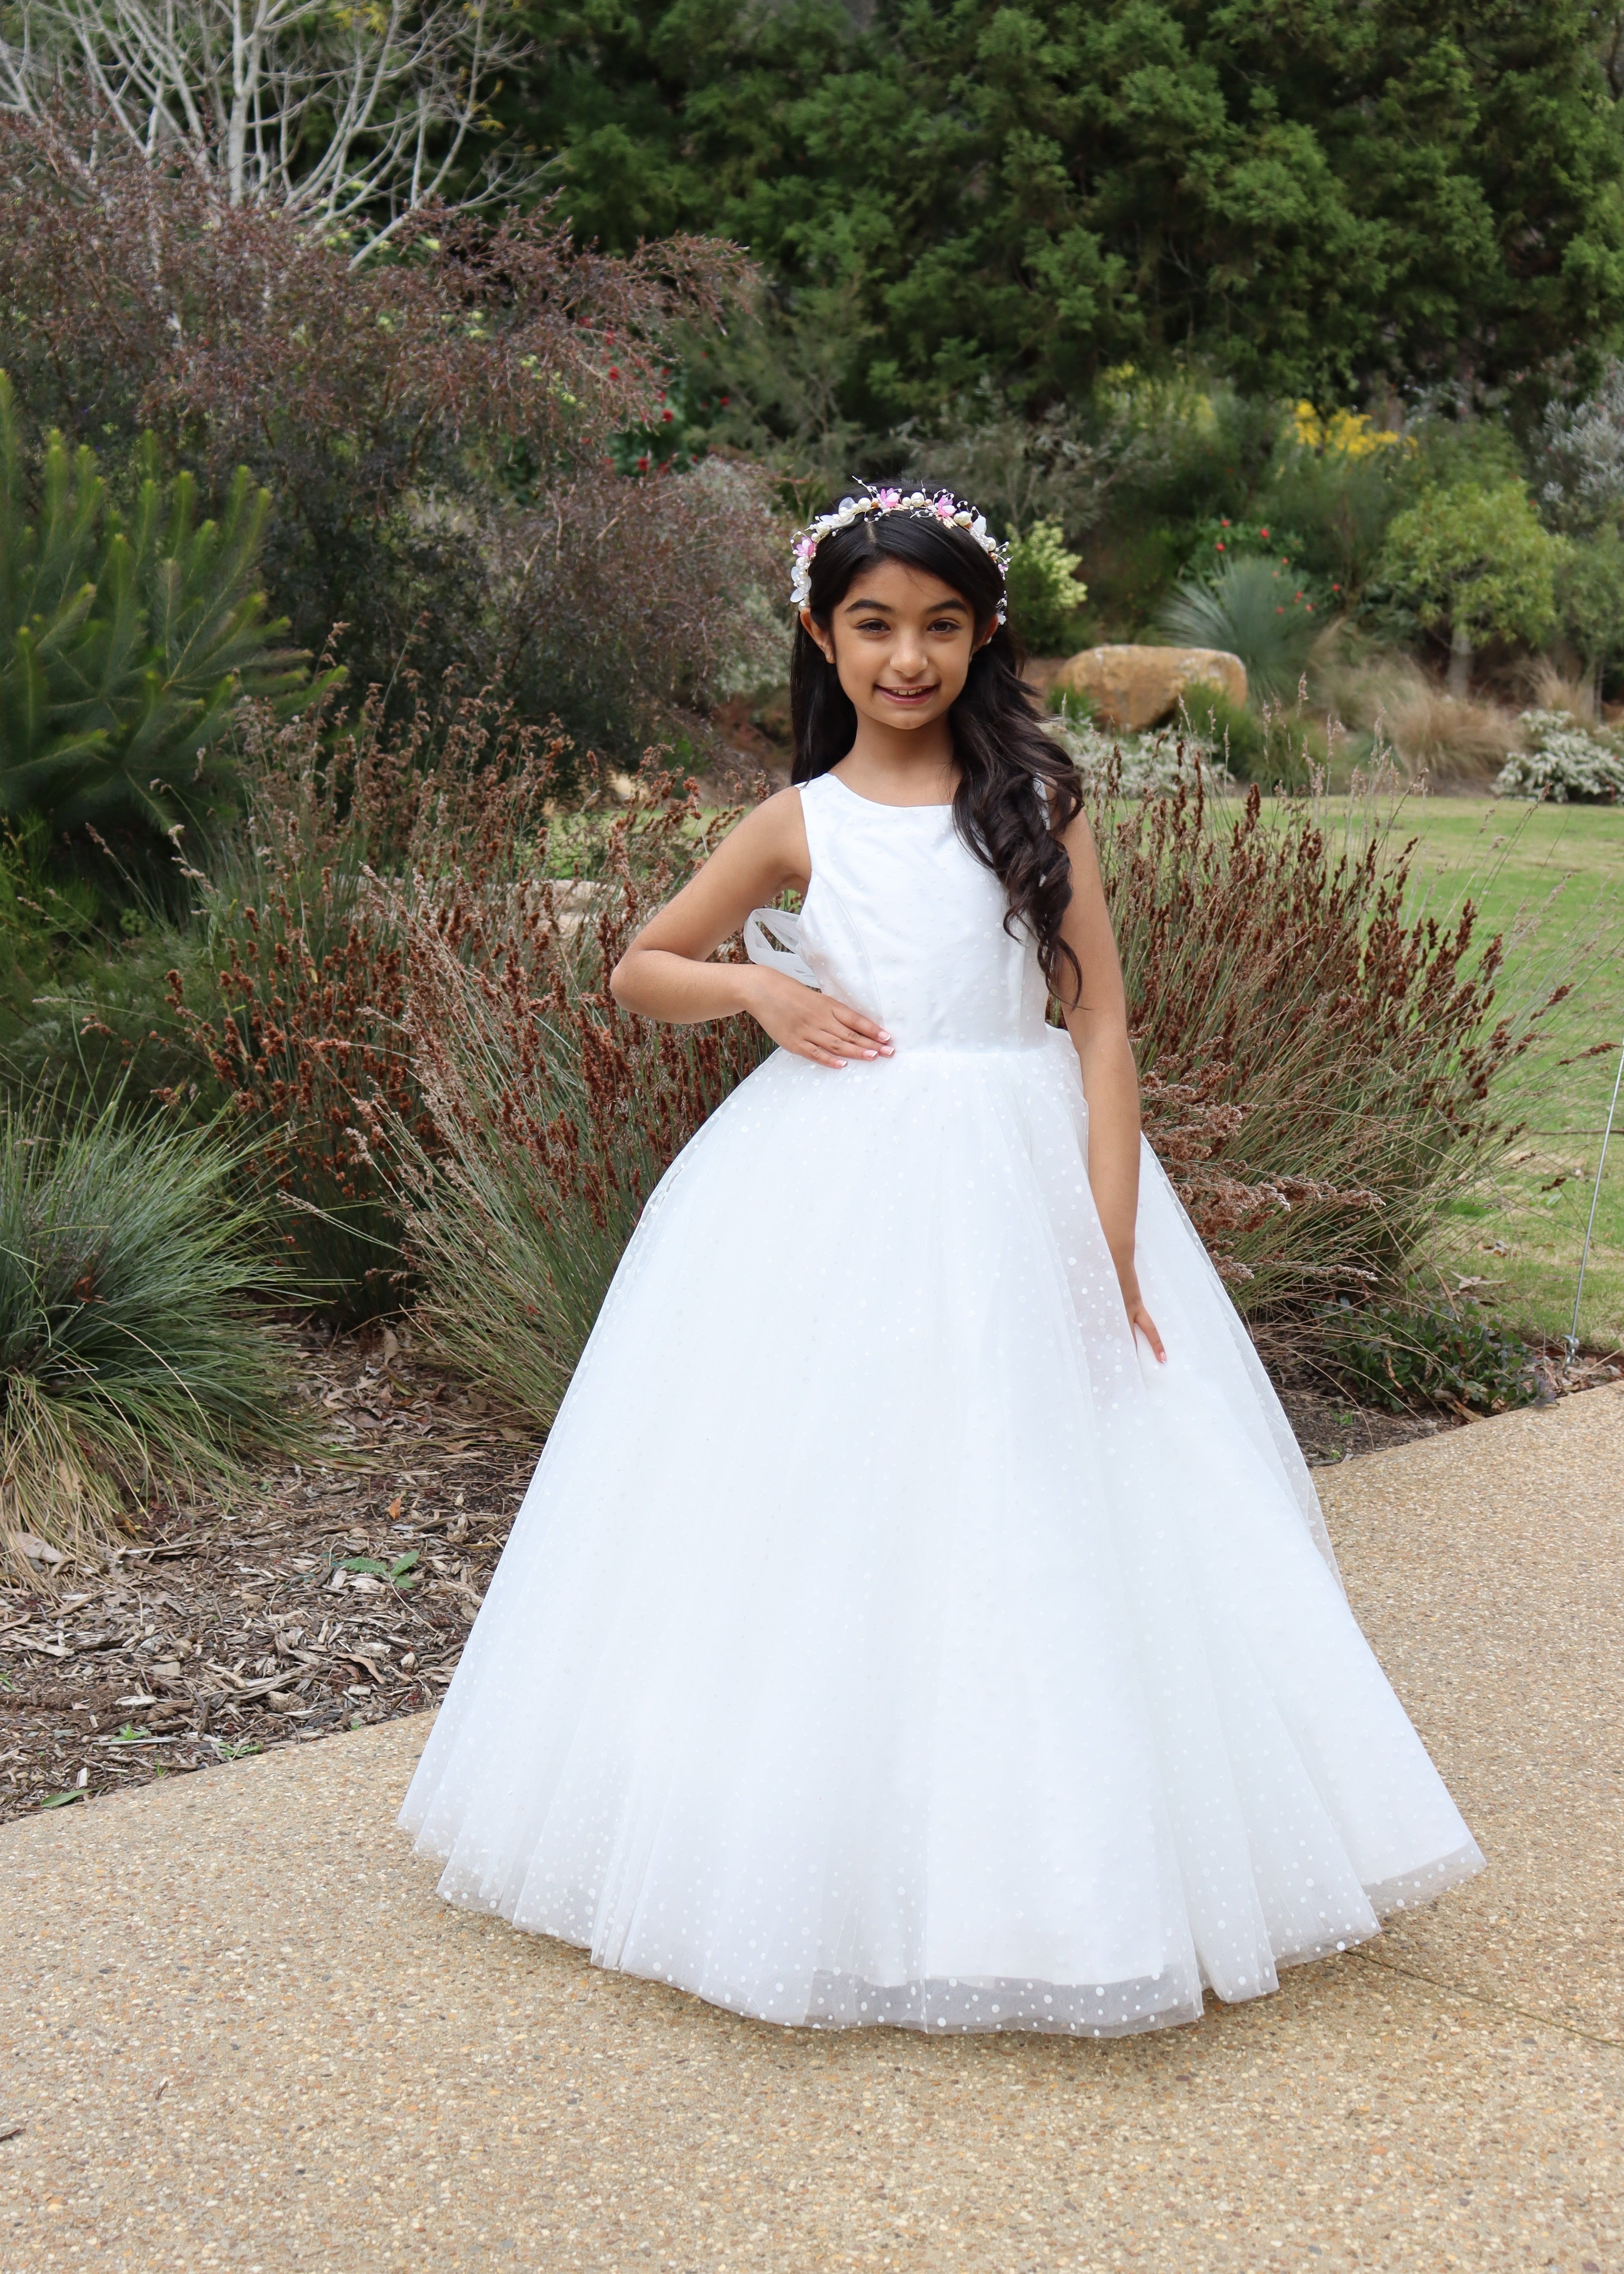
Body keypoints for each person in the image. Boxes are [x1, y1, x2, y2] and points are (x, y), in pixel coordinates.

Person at [399, 484, 1482, 2036]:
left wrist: (1108, 1238)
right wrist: (760, 995)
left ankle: (1063, 1868)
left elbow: (1099, 1022)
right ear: (820, 635)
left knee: (1055, 1496)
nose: (907, 658)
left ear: (984, 638)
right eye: (874, 626)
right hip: (827, 1183)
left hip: (1021, 1167)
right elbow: (641, 965)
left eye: (941, 626)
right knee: (828, 1497)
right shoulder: (798, 823)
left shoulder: (1035, 805)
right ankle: (804, 1853)